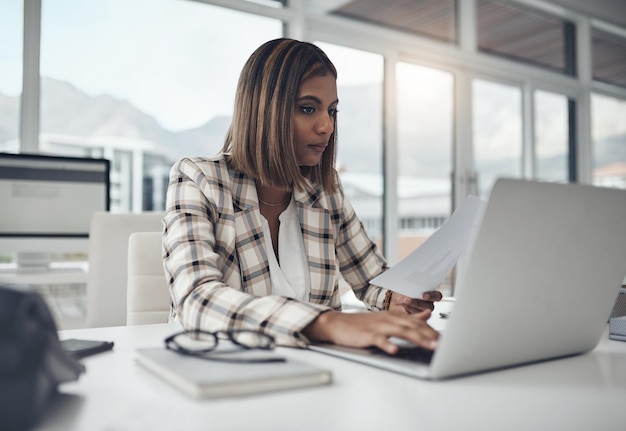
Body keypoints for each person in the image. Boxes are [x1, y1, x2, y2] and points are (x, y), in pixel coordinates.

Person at [162, 38, 442, 356]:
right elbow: (196, 301)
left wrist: (397, 298)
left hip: (320, 371)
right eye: (308, 109)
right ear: (264, 111)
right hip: (223, 370)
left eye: (332, 111)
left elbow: (371, 277)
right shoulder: (198, 179)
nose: (327, 126)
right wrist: (329, 323)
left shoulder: (325, 190)